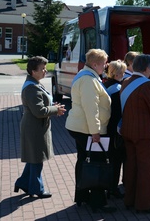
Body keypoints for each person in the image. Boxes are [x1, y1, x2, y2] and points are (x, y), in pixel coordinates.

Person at [65, 49, 115, 213]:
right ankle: (98, 202)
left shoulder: (87, 75)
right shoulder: (88, 80)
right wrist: (95, 132)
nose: (106, 66)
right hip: (87, 129)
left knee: (84, 160)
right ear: (95, 64)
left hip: (81, 127)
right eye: (104, 63)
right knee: (96, 163)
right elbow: (90, 108)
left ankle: (83, 196)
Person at [14, 56, 66, 198]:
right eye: (42, 69)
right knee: (37, 159)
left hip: (36, 126)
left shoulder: (35, 83)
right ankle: (37, 189)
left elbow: (41, 106)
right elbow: (39, 111)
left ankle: (23, 182)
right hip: (34, 128)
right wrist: (55, 110)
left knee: (34, 157)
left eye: (44, 68)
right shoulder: (31, 88)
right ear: (32, 71)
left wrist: (53, 107)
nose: (45, 71)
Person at [120, 54, 150, 214]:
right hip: (145, 133)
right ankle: (144, 204)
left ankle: (129, 200)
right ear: (146, 68)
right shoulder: (148, 85)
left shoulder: (125, 82)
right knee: (146, 169)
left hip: (127, 130)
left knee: (131, 167)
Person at [103, 59, 127, 199]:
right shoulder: (117, 89)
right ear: (118, 73)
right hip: (115, 129)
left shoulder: (106, 85)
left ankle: (109, 186)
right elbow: (119, 112)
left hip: (107, 126)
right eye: (122, 72)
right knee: (116, 160)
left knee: (110, 159)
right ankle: (113, 188)